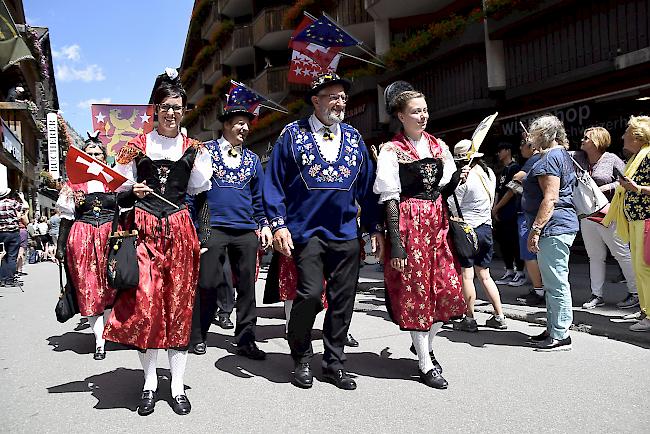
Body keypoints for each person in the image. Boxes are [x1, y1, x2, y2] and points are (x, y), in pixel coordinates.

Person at [103, 69, 212, 416]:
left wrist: (203, 237)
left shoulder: (195, 150)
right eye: (165, 106)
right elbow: (113, 192)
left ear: (184, 111)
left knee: (179, 308)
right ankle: (150, 382)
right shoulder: (134, 148)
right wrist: (129, 192)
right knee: (145, 306)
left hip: (180, 232)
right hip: (144, 232)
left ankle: (177, 386)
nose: (172, 113)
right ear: (154, 109)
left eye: (178, 107)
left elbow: (203, 196)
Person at [264, 73, 383, 390]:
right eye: (333, 96)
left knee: (343, 301)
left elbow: (368, 188)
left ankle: (333, 363)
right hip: (306, 232)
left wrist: (373, 226)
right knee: (309, 294)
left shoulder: (355, 138)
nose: (340, 102)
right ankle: (301, 355)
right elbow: (273, 183)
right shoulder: (292, 135)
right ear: (315, 100)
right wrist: (277, 224)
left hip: (346, 233)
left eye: (343, 97)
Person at [373, 85, 466, 389]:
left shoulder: (439, 145)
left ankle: (423, 343)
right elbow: (389, 197)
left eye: (425, 109)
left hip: (437, 223)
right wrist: (396, 243)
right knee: (416, 293)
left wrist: (456, 177)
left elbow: (444, 187)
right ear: (401, 116)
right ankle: (425, 362)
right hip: (409, 223)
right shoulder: (391, 150)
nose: (423, 115)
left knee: (448, 289)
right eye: (416, 111)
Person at [191, 105, 272, 358]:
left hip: (245, 230)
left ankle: (246, 339)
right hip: (212, 228)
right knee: (206, 283)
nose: (245, 128)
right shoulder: (205, 152)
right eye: (239, 123)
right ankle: (198, 335)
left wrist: (264, 225)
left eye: (247, 124)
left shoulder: (252, 160)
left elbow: (259, 198)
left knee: (247, 286)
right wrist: (194, 228)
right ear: (226, 124)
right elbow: (193, 193)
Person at [55, 134, 118, 360]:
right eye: (88, 154)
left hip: (110, 238)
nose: (92, 158)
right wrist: (60, 247)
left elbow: (127, 209)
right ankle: (99, 340)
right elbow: (66, 217)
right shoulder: (73, 184)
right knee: (88, 287)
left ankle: (109, 330)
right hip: (82, 236)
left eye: (97, 154)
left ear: (104, 157)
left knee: (112, 284)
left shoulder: (115, 181)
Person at [522, 114, 578, 351]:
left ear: (543, 134)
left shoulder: (549, 160)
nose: (529, 138)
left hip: (553, 227)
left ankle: (561, 334)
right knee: (554, 281)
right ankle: (554, 328)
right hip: (560, 226)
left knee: (555, 283)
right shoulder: (561, 154)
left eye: (533, 134)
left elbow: (551, 197)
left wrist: (535, 230)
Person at [571, 127, 638, 309]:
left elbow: (627, 180)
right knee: (594, 256)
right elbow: (561, 151)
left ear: (597, 141)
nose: (582, 140)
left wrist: (606, 188)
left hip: (609, 212)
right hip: (587, 214)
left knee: (621, 253)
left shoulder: (611, 158)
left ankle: (635, 292)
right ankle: (596, 295)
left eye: (587, 137)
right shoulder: (578, 157)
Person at [449, 140, 507, 332]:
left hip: (467, 230)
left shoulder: (463, 179)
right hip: (486, 228)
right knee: (485, 275)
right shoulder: (489, 173)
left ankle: (470, 318)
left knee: (467, 275)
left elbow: (450, 203)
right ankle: (499, 315)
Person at [603, 116, 650, 331]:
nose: (623, 136)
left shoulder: (647, 156)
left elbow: (640, 188)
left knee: (644, 268)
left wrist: (637, 188)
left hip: (645, 219)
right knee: (640, 268)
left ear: (638, 138)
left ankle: (648, 315)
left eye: (627, 133)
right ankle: (644, 310)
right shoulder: (637, 157)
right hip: (635, 219)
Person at [512, 132, 545, 306]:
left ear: (531, 146)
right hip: (534, 212)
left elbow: (518, 177)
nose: (520, 148)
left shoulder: (534, 159)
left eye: (522, 144)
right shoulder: (542, 158)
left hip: (529, 215)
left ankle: (539, 290)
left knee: (529, 253)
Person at [492, 142, 526, 286]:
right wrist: (495, 207)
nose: (499, 153)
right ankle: (509, 270)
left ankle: (520, 272)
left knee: (514, 242)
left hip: (512, 210)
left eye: (501, 150)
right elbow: (499, 191)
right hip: (501, 211)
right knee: (504, 242)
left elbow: (512, 191)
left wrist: (497, 207)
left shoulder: (515, 168)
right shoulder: (503, 169)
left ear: (508, 150)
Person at [0, 188, 27, 286]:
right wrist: (22, 198)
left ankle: (2, 278)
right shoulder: (12, 203)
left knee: (3, 256)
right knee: (12, 256)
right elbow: (25, 207)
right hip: (13, 232)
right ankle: (9, 279)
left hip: (1, 232)